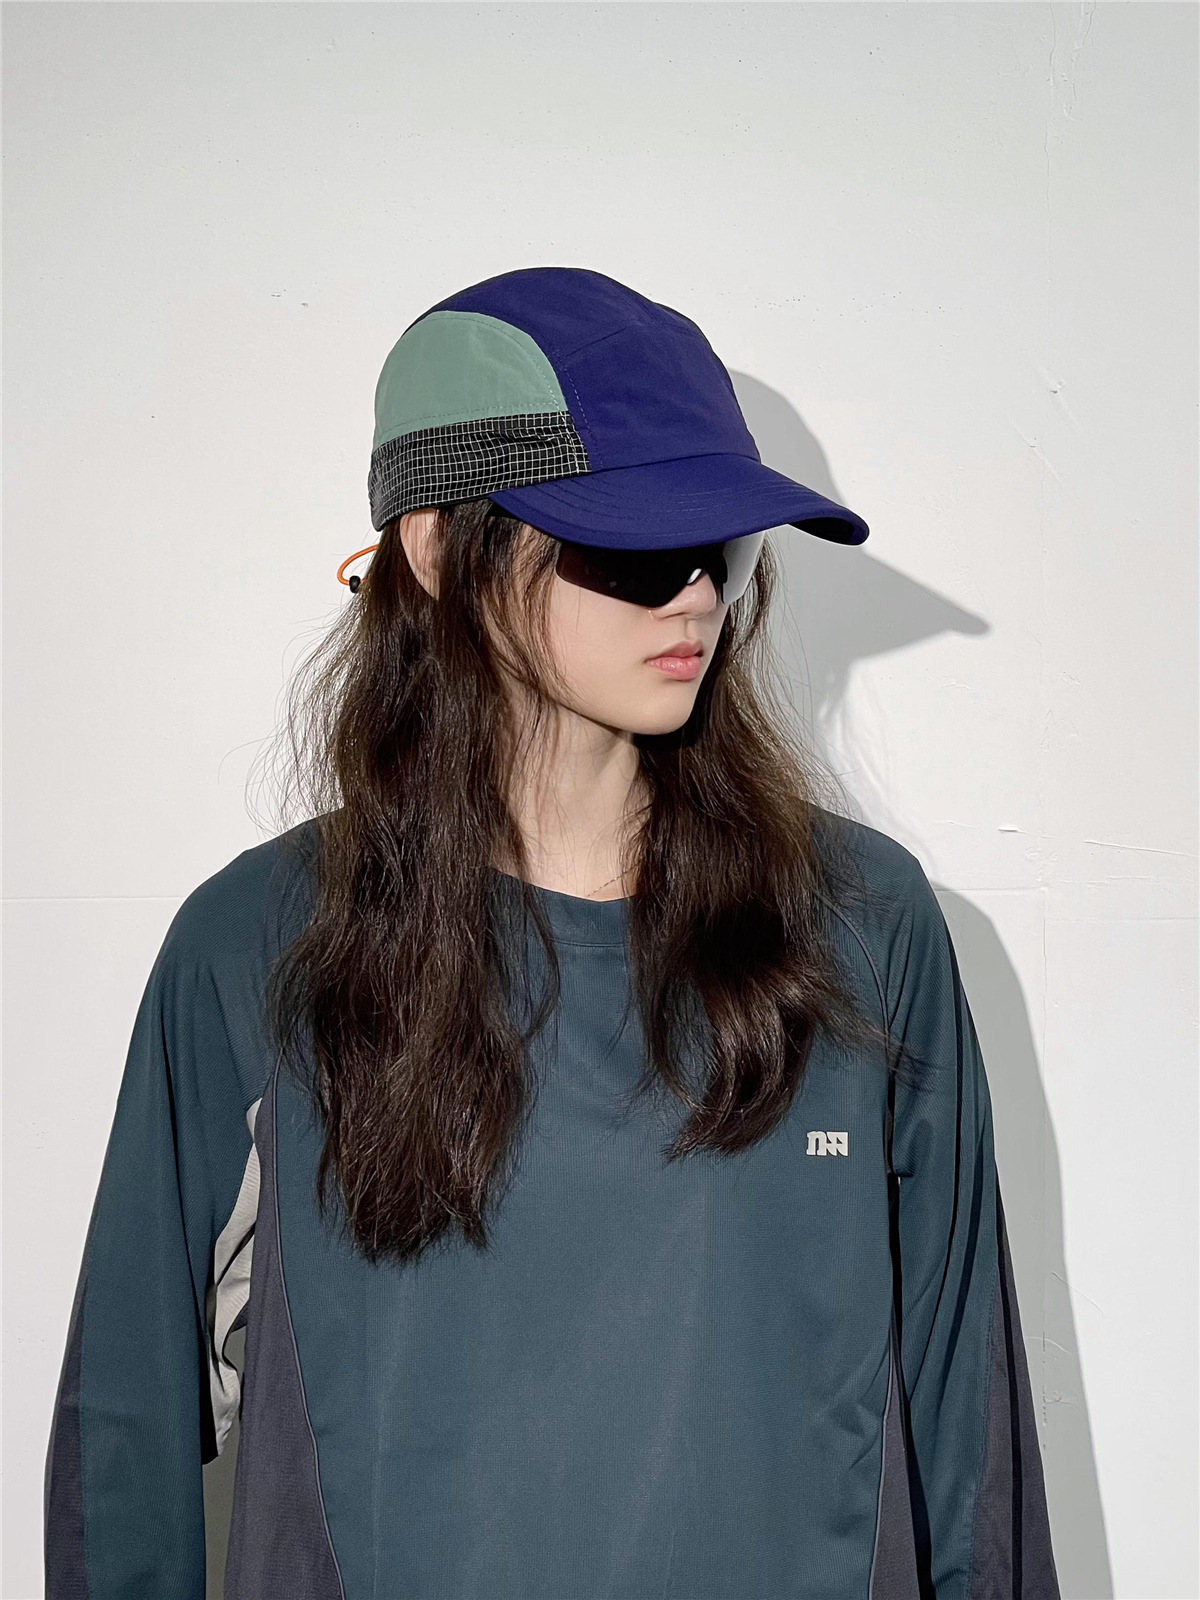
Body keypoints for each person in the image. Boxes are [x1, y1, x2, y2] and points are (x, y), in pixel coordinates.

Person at [43, 266, 1059, 1600]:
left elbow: (973, 1445)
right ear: (433, 547)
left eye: (721, 549)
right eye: (632, 547)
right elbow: (124, 1446)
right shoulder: (263, 948)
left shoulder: (861, 929)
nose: (693, 599)